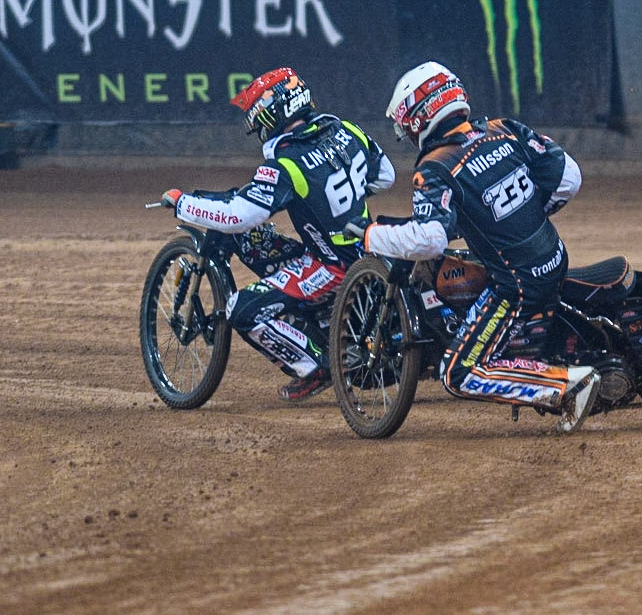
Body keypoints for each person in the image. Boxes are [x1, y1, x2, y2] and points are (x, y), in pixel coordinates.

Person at [357, 61, 601, 431]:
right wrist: (523, 218)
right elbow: (569, 178)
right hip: (554, 257)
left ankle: (565, 386)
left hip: (518, 286)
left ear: (421, 117)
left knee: (458, 373)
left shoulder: (435, 167)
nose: (406, 133)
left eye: (405, 125)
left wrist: (370, 235)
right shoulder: (505, 129)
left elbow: (430, 239)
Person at [162, 67, 395, 401]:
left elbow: (238, 215)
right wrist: (333, 201)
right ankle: (319, 326)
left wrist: (183, 203)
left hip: (332, 266)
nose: (255, 124)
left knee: (240, 308)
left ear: (274, 112)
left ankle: (316, 367)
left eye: (257, 115)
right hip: (368, 250)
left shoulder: (286, 162)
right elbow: (385, 175)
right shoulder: (345, 129)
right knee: (256, 241)